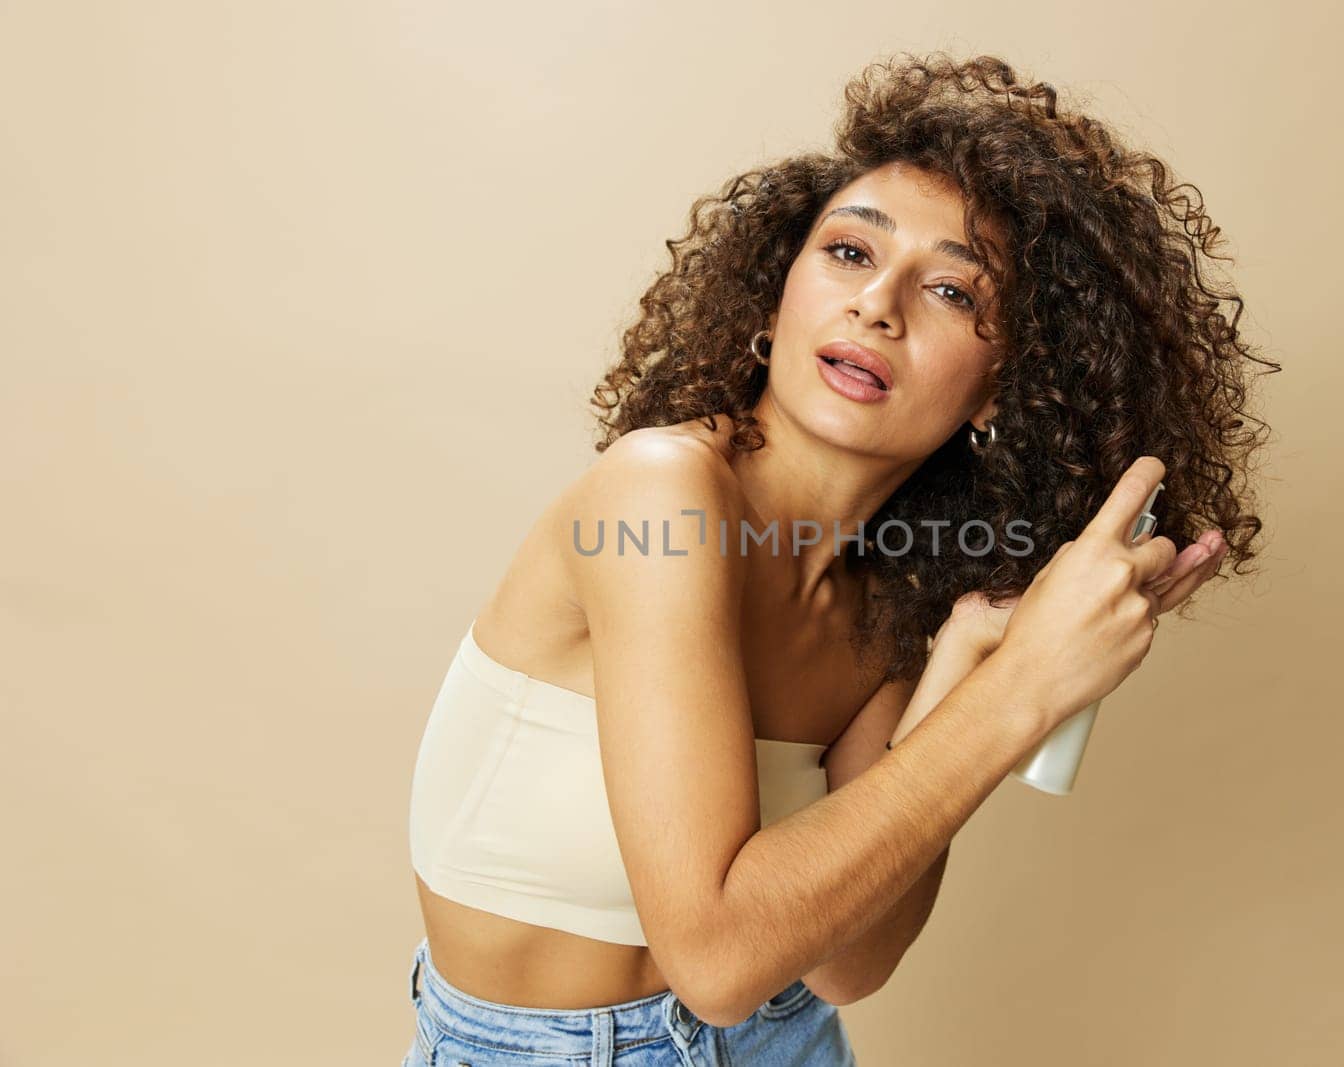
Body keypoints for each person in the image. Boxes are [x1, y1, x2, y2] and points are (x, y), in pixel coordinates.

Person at [403, 51, 1275, 1066]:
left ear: (1004, 386)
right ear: (774, 296)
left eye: (950, 289)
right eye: (851, 254)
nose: (878, 304)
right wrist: (1024, 691)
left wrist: (969, 664)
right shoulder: (658, 495)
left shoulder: (894, 588)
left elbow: (847, 959)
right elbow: (719, 961)